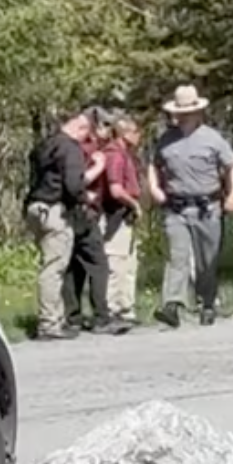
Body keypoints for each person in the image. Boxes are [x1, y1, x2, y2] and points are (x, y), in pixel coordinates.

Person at [150, 84, 233, 328]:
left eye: (187, 111)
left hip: (207, 206)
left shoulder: (213, 139)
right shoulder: (166, 139)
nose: (182, 116)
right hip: (176, 207)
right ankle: (172, 304)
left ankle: (207, 303)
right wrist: (155, 188)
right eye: (179, 111)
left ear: (198, 112)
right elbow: (154, 165)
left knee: (207, 260)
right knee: (177, 256)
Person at [23, 110, 94, 340]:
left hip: (35, 208)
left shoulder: (44, 145)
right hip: (55, 210)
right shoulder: (70, 148)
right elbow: (73, 185)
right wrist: (85, 199)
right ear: (80, 128)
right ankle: (49, 324)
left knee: (49, 263)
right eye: (87, 135)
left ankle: (55, 317)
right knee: (54, 267)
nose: (86, 140)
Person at [60, 108, 118, 335]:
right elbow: (78, 181)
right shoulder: (83, 151)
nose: (106, 132)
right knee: (97, 264)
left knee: (74, 267)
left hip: (72, 212)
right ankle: (101, 316)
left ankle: (73, 315)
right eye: (103, 127)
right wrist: (99, 166)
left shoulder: (66, 147)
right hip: (83, 211)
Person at [100, 113, 144, 327]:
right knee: (116, 262)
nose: (139, 136)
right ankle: (113, 308)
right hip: (116, 213)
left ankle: (126, 307)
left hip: (126, 215)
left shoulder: (127, 155)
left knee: (128, 262)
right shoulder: (114, 155)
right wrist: (133, 203)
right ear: (125, 133)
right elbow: (116, 189)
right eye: (136, 132)